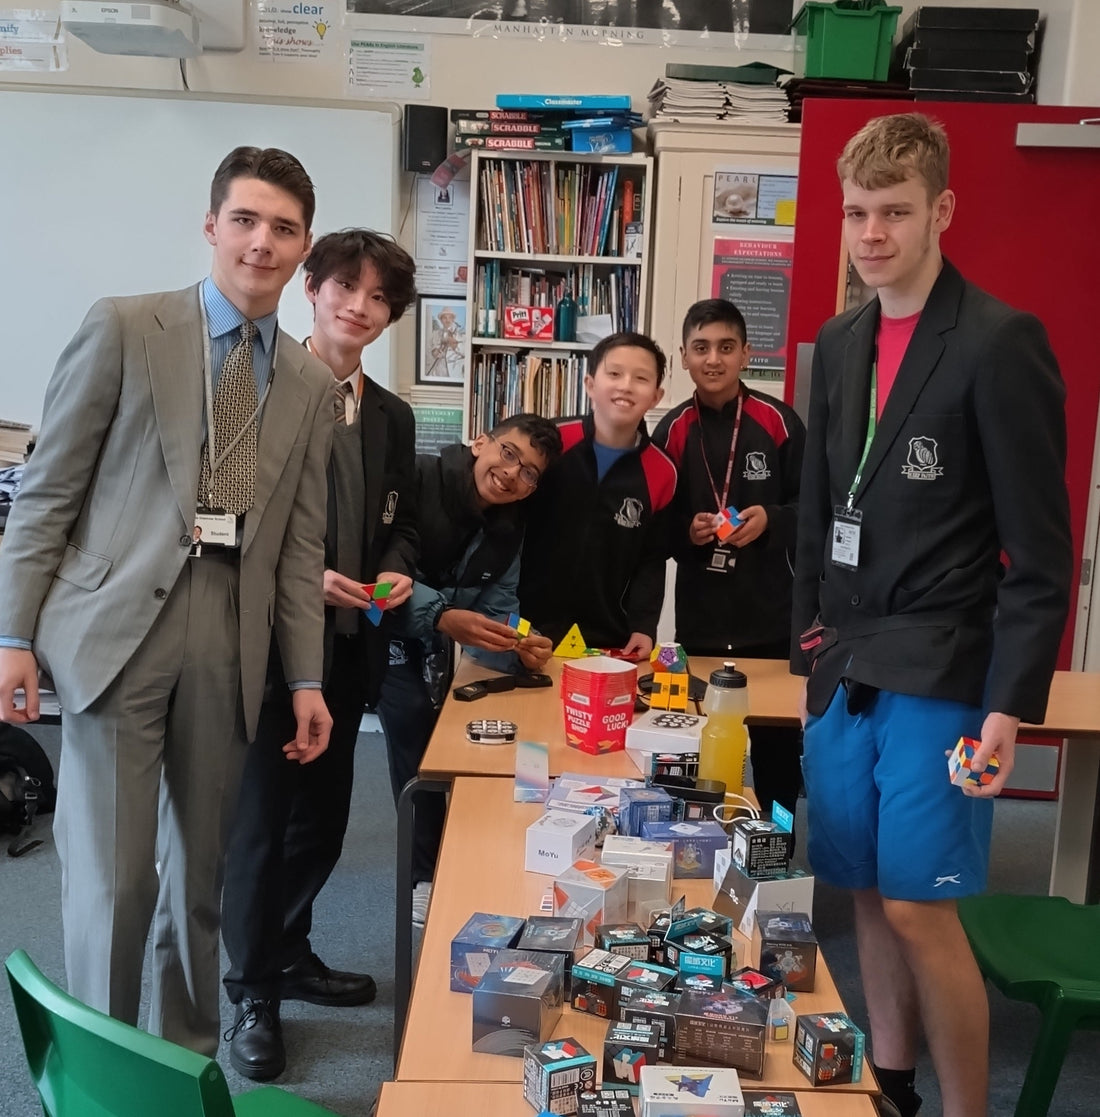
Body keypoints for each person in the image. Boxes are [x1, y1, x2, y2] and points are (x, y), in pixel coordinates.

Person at [0, 147, 334, 1057]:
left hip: (229, 641)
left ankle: (184, 1063)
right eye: (246, 220)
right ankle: (109, 1068)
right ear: (211, 224)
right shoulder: (125, 327)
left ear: (304, 247)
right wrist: (12, 634)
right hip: (115, 632)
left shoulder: (308, 383)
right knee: (113, 884)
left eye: (284, 228)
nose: (262, 243)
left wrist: (306, 677)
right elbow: (47, 493)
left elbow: (301, 545)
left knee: (202, 878)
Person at [791, 113, 1072, 1117]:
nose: (871, 234)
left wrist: (1006, 708)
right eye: (857, 212)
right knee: (860, 886)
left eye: (894, 212)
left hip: (944, 665)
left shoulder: (998, 342)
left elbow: (1039, 554)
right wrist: (803, 652)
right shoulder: (836, 341)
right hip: (845, 662)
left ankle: (963, 1110)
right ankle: (891, 1078)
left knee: (918, 901)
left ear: (939, 210)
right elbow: (817, 511)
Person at [220, 230, 419, 1080]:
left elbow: (401, 521)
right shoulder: (249, 383)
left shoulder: (392, 414)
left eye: (378, 298)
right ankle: (252, 989)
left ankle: (291, 951)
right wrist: (308, 575)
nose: (359, 307)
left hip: (345, 652)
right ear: (312, 286)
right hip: (263, 651)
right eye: (345, 286)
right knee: (260, 829)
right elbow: (216, 519)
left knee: (322, 824)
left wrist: (394, 570)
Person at [379, 413, 561, 925]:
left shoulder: (511, 527)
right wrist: (442, 615)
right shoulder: (419, 477)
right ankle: (421, 877)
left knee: (471, 740)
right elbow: (381, 574)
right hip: (381, 633)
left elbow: (500, 604)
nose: (511, 474)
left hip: (442, 647)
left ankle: (461, 861)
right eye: (508, 453)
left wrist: (518, 643)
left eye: (529, 472)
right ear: (480, 441)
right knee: (414, 743)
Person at [652, 298, 805, 817]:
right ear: (684, 358)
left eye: (725, 347)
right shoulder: (670, 431)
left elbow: (819, 513)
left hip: (772, 624)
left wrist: (773, 520)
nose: (713, 359)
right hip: (701, 626)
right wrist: (688, 534)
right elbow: (656, 529)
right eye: (701, 348)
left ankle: (776, 853)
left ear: (746, 354)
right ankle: (702, 852)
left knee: (778, 759)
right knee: (700, 754)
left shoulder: (780, 422)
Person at [519, 331, 676, 662]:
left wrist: (644, 626)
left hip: (607, 638)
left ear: (656, 396)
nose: (626, 385)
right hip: (524, 627)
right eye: (614, 373)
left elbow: (651, 559)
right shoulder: (549, 442)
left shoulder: (663, 472)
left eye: (641, 378)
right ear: (590, 384)